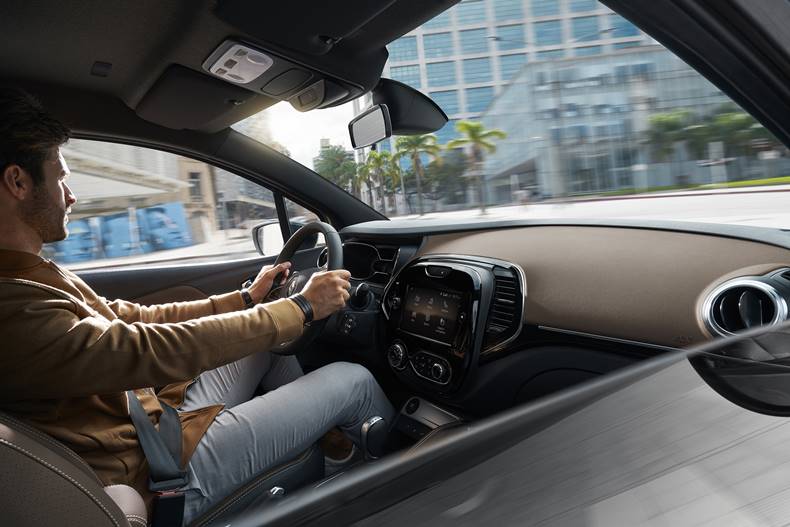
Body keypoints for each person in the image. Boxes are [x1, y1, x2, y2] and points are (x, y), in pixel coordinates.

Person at [0, 87, 395, 524]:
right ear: (17, 182)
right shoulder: (11, 306)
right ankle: (405, 499)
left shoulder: (28, 273)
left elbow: (129, 319)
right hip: (157, 471)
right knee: (353, 380)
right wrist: (299, 309)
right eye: (60, 178)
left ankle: (327, 445)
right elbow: (142, 349)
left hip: (154, 423)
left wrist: (245, 299)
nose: (71, 195)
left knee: (263, 343)